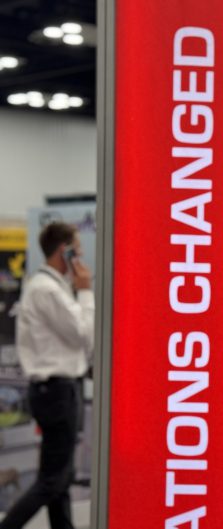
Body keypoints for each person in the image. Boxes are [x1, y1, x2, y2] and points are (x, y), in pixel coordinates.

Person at [0, 222, 94, 529]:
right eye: (77, 250)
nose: (81, 256)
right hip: (55, 391)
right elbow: (84, 334)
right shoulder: (47, 289)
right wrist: (86, 292)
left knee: (61, 478)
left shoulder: (49, 287)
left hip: (57, 390)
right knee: (53, 479)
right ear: (62, 251)